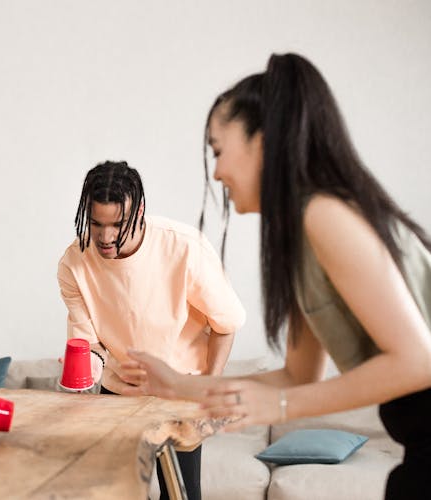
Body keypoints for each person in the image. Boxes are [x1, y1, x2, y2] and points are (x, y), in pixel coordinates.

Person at [122, 53, 431, 500]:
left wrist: (281, 407)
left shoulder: (325, 214)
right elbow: (297, 376)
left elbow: (418, 361)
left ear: (262, 141)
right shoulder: (302, 237)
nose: (216, 172)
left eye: (218, 149)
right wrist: (178, 383)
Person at [57, 160, 246, 500]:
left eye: (117, 224)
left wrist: (206, 388)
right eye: (96, 224)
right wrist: (86, 369)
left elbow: (226, 325)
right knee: (118, 494)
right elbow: (92, 344)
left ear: (140, 209)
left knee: (181, 495)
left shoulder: (185, 248)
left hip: (180, 391)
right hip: (118, 394)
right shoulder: (75, 262)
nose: (106, 237)